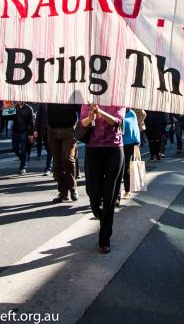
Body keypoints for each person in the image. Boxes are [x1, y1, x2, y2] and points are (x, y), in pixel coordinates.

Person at [80, 103, 124, 254]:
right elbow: (82, 122)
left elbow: (117, 121)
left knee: (109, 195)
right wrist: (90, 117)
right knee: (93, 194)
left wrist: (101, 113)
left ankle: (104, 239)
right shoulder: (89, 100)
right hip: (93, 149)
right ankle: (102, 215)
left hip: (114, 149)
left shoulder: (118, 98)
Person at [46, 103, 80, 202]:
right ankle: (63, 192)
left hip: (69, 129)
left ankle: (73, 188)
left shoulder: (71, 90)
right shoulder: (49, 89)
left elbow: (81, 109)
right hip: (52, 129)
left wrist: (78, 129)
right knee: (57, 163)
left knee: (67, 160)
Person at [118, 109, 141, 205]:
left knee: (127, 167)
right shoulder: (117, 111)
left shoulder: (131, 113)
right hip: (115, 143)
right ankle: (117, 194)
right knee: (118, 169)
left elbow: (134, 128)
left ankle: (127, 190)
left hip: (129, 143)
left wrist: (137, 141)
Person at [11, 101, 34, 174]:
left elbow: (31, 122)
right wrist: (4, 110)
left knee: (24, 150)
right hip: (15, 131)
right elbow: (8, 118)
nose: (20, 100)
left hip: (24, 131)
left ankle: (22, 167)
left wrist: (31, 133)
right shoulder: (14, 107)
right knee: (15, 149)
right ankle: (23, 160)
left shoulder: (29, 108)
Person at [33, 102, 52, 176]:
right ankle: (50, 167)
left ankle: (48, 168)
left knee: (51, 150)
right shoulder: (42, 104)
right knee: (48, 149)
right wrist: (35, 130)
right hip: (44, 129)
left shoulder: (55, 101)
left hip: (54, 129)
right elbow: (38, 117)